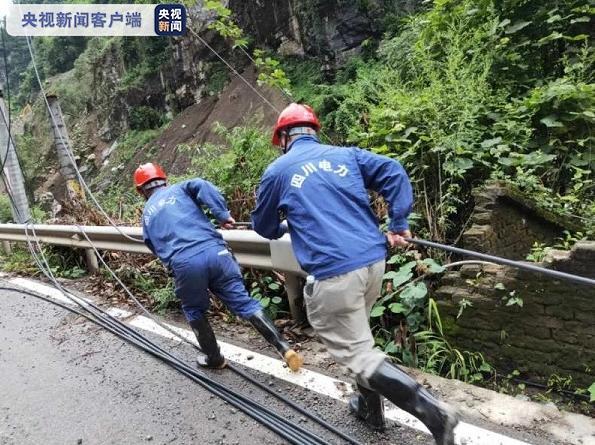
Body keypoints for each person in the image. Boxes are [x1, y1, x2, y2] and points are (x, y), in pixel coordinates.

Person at [251, 103, 458, 444]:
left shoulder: (278, 170)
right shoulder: (347, 156)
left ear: (284, 137)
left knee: (358, 353)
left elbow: (264, 226)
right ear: (314, 131)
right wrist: (398, 222)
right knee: (360, 340)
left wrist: (287, 223)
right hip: (373, 263)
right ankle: (369, 409)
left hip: (334, 273)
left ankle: (435, 413)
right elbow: (392, 171)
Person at [134, 163, 303, 372]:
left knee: (193, 309)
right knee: (244, 302)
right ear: (165, 180)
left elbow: (153, 245)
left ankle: (214, 358)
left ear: (141, 190)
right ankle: (284, 348)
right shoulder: (179, 189)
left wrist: (173, 264)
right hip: (217, 253)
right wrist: (222, 215)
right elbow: (201, 185)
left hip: (185, 263)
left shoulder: (147, 216)